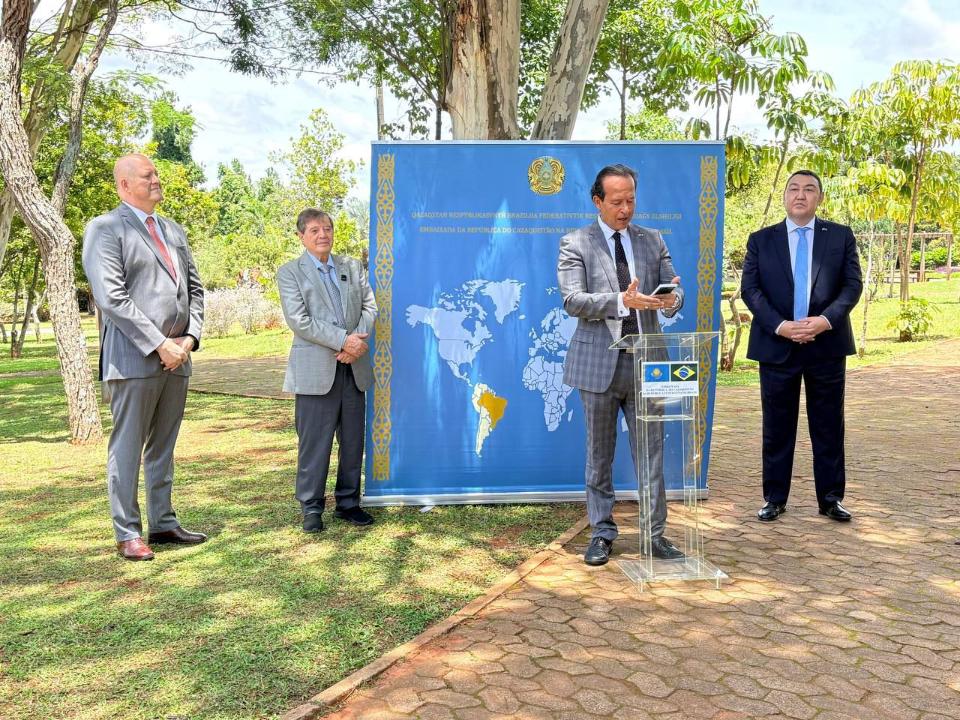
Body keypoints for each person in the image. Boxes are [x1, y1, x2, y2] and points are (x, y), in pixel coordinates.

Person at [558, 164, 685, 566]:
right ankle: (601, 533)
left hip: (649, 364)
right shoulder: (575, 242)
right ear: (598, 201)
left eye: (631, 200)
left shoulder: (652, 240)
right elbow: (572, 300)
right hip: (598, 364)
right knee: (600, 454)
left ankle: (654, 535)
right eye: (616, 201)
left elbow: (674, 288)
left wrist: (671, 299)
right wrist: (620, 301)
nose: (625, 209)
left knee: (652, 453)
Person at [82, 153, 205, 561]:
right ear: (124, 185)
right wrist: (159, 344)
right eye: (147, 175)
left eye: (156, 174)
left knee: (163, 447)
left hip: (178, 358)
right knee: (128, 447)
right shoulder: (104, 229)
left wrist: (189, 339)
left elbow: (195, 290)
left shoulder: (173, 229)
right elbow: (111, 297)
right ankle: (127, 532)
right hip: (133, 359)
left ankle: (164, 522)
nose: (156, 179)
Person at [741, 170, 862, 523]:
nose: (800, 195)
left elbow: (852, 286)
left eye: (809, 189)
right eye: (793, 188)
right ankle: (774, 498)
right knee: (777, 426)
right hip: (776, 345)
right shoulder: (761, 240)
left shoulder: (840, 236)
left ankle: (831, 499)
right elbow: (750, 290)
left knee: (828, 425)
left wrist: (825, 321)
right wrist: (781, 326)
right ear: (784, 196)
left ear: (819, 198)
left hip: (826, 345)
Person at [277, 209, 378, 533]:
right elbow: (299, 320)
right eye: (314, 230)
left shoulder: (352, 267)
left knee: (353, 442)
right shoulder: (290, 273)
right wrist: (343, 340)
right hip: (315, 372)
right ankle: (311, 507)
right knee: (314, 444)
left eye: (327, 228)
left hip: (353, 368)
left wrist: (355, 343)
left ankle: (349, 503)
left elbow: (370, 306)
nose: (323, 235)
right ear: (301, 236)